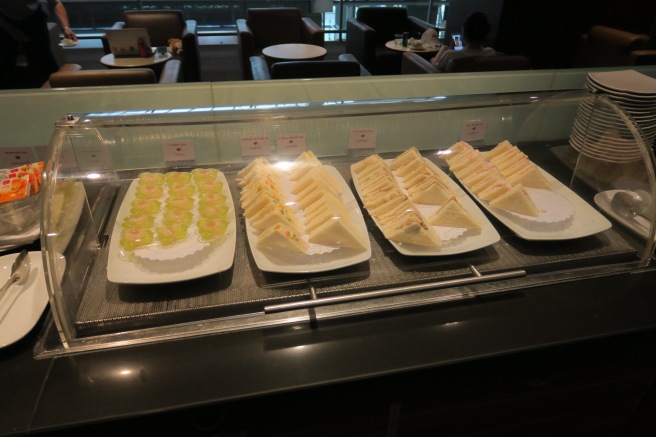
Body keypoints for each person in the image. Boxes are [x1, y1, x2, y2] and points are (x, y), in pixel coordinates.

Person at [0, 0, 78, 89]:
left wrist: (66, 28)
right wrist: (14, 32)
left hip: (33, 16)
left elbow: (57, 4)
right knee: (5, 62)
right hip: (4, 19)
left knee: (44, 60)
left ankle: (50, 93)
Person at [430, 11, 496, 72]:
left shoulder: (450, 55)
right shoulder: (490, 53)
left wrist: (450, 49)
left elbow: (433, 69)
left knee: (438, 52)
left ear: (464, 35)